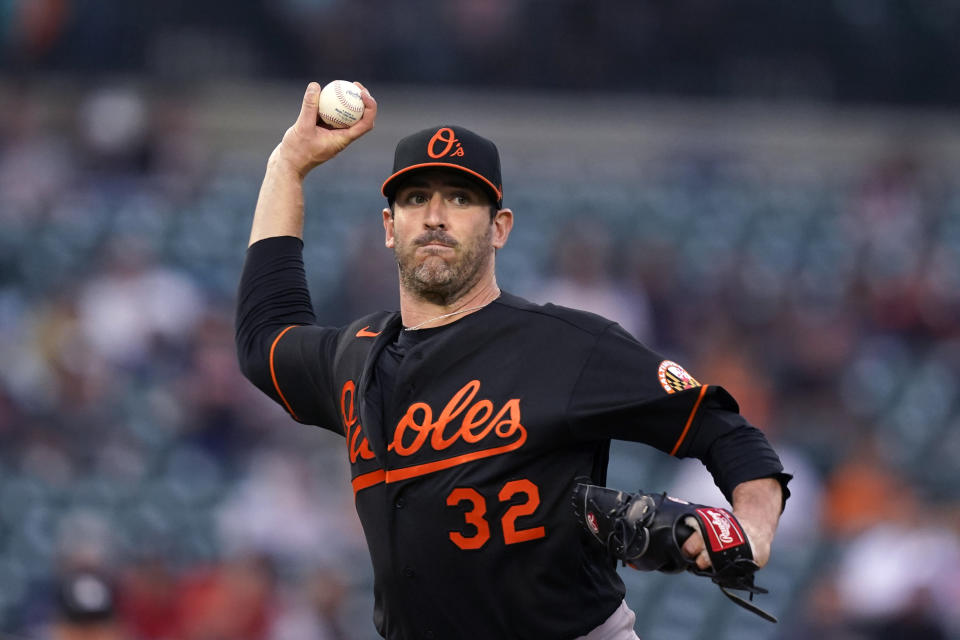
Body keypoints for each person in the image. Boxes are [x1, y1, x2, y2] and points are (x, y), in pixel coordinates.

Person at [235, 82, 791, 640]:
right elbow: (265, 338)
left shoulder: (568, 345)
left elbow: (722, 429)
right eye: (414, 198)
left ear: (499, 227)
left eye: (459, 198)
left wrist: (755, 526)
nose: (434, 216)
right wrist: (287, 165)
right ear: (389, 228)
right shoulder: (355, 356)